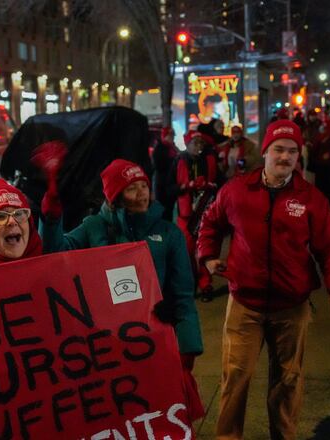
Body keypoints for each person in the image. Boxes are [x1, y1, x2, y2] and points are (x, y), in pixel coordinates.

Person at [197, 120, 330, 440]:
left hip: (291, 307)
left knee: (288, 381)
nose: (285, 157)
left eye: (292, 151)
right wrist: (208, 257)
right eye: (279, 149)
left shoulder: (310, 198)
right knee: (235, 378)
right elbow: (210, 223)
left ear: (299, 156)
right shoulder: (237, 191)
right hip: (245, 305)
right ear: (265, 152)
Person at [38, 158, 205, 420]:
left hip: (153, 339)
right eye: (132, 188)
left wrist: (187, 347)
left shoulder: (169, 233)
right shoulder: (94, 227)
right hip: (107, 344)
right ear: (115, 197)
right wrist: (51, 217)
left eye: (144, 186)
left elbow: (183, 294)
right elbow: (55, 253)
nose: (142, 194)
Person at [176, 130, 219, 301]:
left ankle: (205, 285)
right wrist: (187, 186)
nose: (199, 146)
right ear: (187, 144)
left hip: (205, 212)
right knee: (186, 253)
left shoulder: (208, 160)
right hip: (185, 215)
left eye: (201, 143)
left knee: (204, 250)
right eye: (195, 143)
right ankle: (190, 285)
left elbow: (220, 182)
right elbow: (167, 187)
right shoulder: (179, 161)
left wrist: (210, 185)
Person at [152, 127, 179, 221]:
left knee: (169, 210)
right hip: (162, 184)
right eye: (170, 135)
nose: (172, 137)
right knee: (163, 210)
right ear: (165, 135)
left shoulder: (172, 147)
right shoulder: (160, 148)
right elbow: (158, 165)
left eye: (173, 135)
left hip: (170, 183)